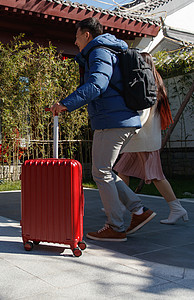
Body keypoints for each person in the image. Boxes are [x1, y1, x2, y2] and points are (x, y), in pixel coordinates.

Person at [50, 17, 156, 242]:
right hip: (117, 119)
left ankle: (116, 226)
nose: (75, 41)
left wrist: (66, 103)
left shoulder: (99, 51)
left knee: (100, 172)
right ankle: (138, 211)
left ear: (86, 34)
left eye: (77, 36)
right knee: (104, 170)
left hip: (113, 121)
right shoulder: (106, 50)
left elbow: (97, 84)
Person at [114, 52, 188, 225]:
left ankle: (177, 208)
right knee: (122, 170)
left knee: (156, 176)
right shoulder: (155, 84)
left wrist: (127, 129)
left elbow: (143, 115)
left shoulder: (148, 85)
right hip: (141, 140)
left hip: (143, 140)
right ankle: (120, 204)